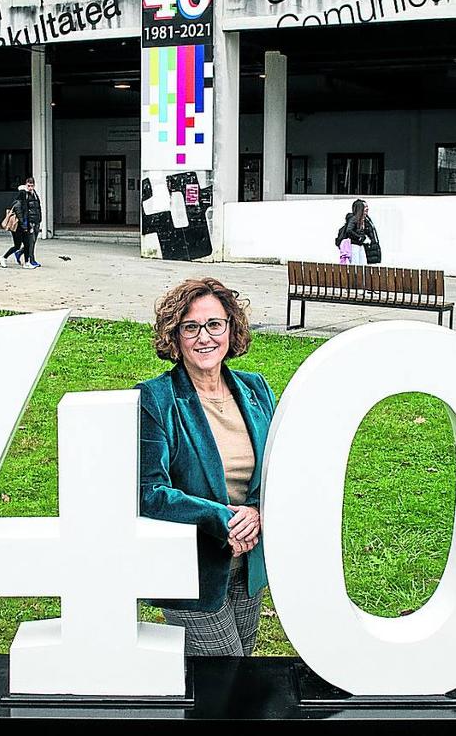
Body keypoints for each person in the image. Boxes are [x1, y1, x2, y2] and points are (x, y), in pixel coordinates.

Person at [136, 277, 273, 656]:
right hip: (191, 570)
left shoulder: (256, 389)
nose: (204, 337)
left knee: (240, 672)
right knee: (225, 678)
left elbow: (278, 472)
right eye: (191, 327)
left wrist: (258, 512)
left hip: (249, 564)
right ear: (174, 336)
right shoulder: (156, 398)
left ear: (231, 327)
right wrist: (223, 519)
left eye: (214, 324)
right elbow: (149, 492)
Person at [12, 177, 42, 269]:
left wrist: (39, 218)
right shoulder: (24, 194)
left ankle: (20, 253)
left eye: (32, 186)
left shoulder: (35, 194)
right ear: (26, 185)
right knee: (30, 242)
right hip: (30, 221)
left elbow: (38, 207)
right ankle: (31, 259)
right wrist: (26, 222)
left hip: (36, 220)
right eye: (28, 185)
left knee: (33, 241)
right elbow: (23, 209)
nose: (30, 187)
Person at [343, 199, 380, 265]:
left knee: (363, 264)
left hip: (361, 246)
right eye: (364, 207)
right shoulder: (354, 219)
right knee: (356, 264)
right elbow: (349, 230)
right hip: (356, 245)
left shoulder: (365, 219)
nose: (367, 209)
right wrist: (359, 238)